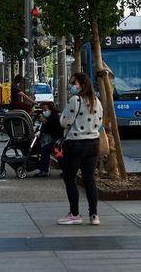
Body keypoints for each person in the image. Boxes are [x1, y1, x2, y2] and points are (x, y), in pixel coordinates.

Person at [57, 72, 103, 226]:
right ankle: (94, 215)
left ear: (82, 85)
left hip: (75, 144)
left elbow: (64, 122)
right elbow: (100, 121)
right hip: (93, 144)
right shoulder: (97, 100)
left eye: (73, 83)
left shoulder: (75, 100)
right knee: (89, 179)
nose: (71, 86)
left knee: (69, 178)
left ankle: (75, 214)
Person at [34, 101, 64, 177]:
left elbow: (50, 127)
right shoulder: (51, 116)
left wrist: (44, 121)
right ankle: (65, 170)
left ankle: (44, 170)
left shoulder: (54, 116)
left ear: (50, 108)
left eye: (45, 109)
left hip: (59, 140)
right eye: (42, 110)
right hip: (57, 140)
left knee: (51, 151)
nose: (44, 111)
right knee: (58, 155)